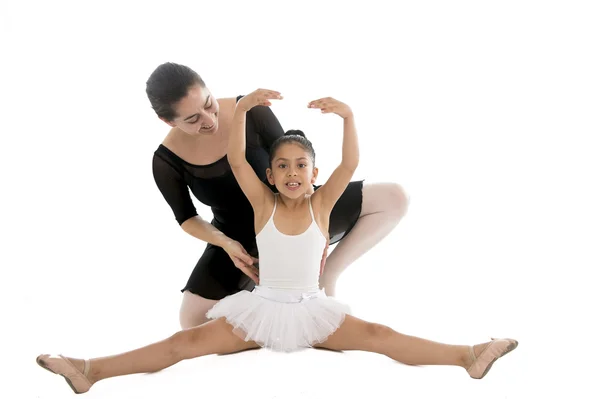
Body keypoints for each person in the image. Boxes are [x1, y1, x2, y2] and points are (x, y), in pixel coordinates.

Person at [36, 90, 518, 394]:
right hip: (261, 310)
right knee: (183, 343)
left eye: (300, 167)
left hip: (312, 310)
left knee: (380, 337)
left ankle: (468, 355)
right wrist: (242, 109)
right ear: (269, 175)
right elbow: (238, 162)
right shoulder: (262, 204)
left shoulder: (323, 205)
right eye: (282, 166)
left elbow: (350, 165)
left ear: (315, 175)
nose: (291, 173)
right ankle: (89, 369)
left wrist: (348, 116)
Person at [147, 62, 410, 328]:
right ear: (168, 121)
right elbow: (187, 217)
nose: (209, 119)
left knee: (392, 198)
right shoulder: (165, 161)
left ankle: (324, 276)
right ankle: (267, 299)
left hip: (293, 209)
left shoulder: (251, 109)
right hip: (235, 234)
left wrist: (318, 223)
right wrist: (226, 244)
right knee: (191, 321)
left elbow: (293, 158)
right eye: (192, 119)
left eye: (208, 103)